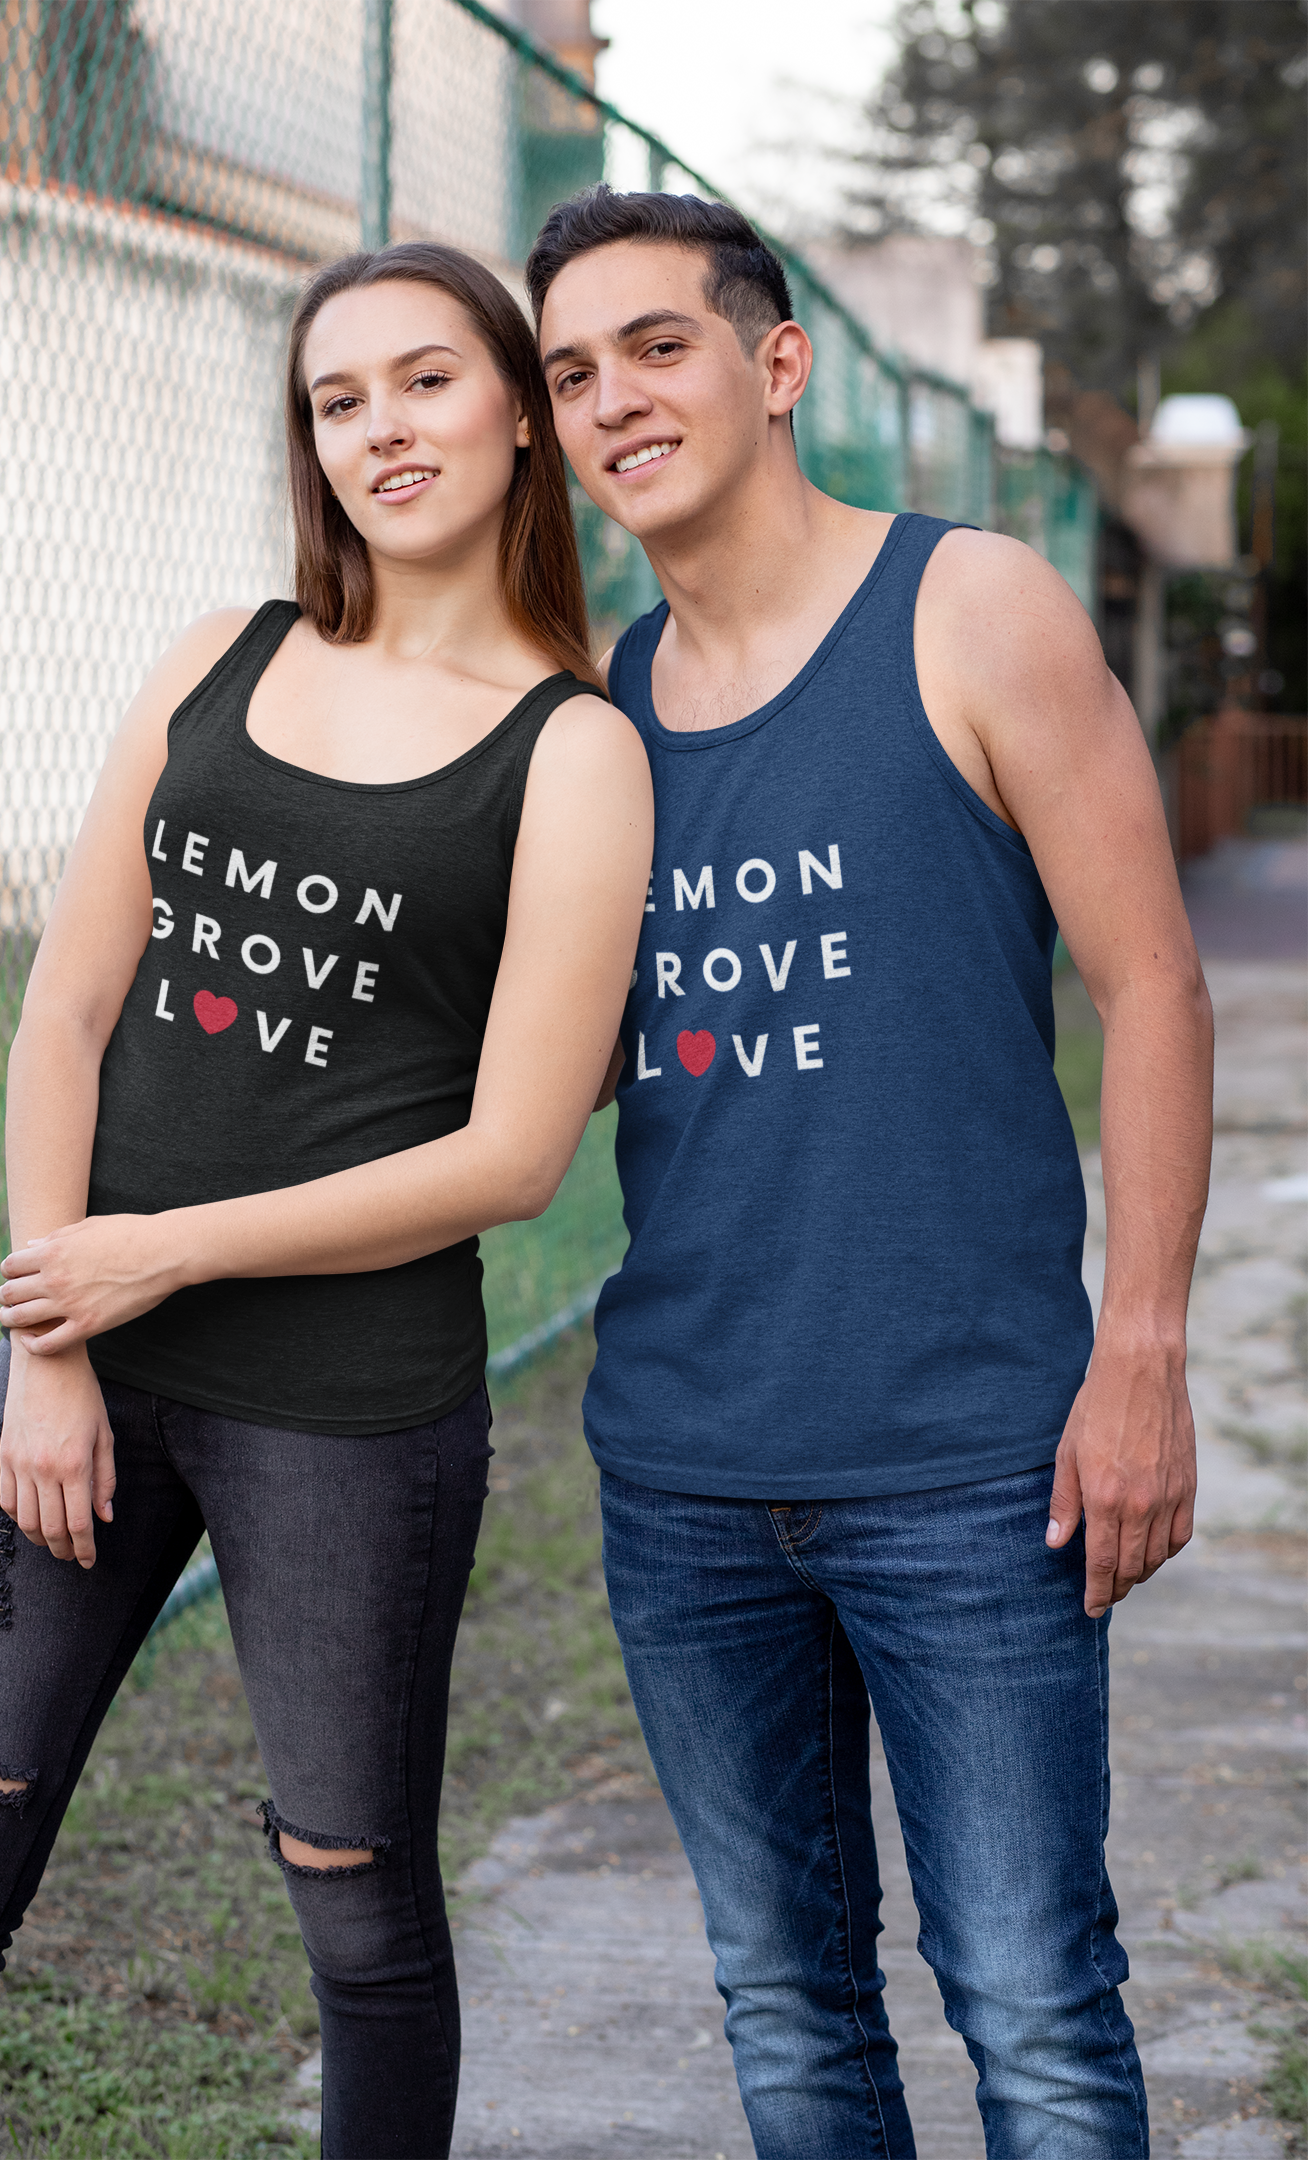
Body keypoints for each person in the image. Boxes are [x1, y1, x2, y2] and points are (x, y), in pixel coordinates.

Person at [0, 240, 651, 2160]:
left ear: (520, 414)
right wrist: (58, 1349)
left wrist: (170, 1252)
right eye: (337, 399)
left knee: (356, 1914)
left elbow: (512, 1157)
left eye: (427, 380)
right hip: (81, 1374)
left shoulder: (574, 750)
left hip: (349, 1411)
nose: (383, 427)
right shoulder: (219, 660)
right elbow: (64, 1014)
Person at [528, 186, 1213, 2157]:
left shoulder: (971, 606)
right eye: (570, 373)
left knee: (1033, 2004)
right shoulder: (598, 715)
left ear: (778, 364)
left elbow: (1154, 987)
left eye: (657, 345)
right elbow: (569, 1071)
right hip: (685, 1473)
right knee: (787, 2010)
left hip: (973, 1462)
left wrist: (1141, 1355)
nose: (612, 398)